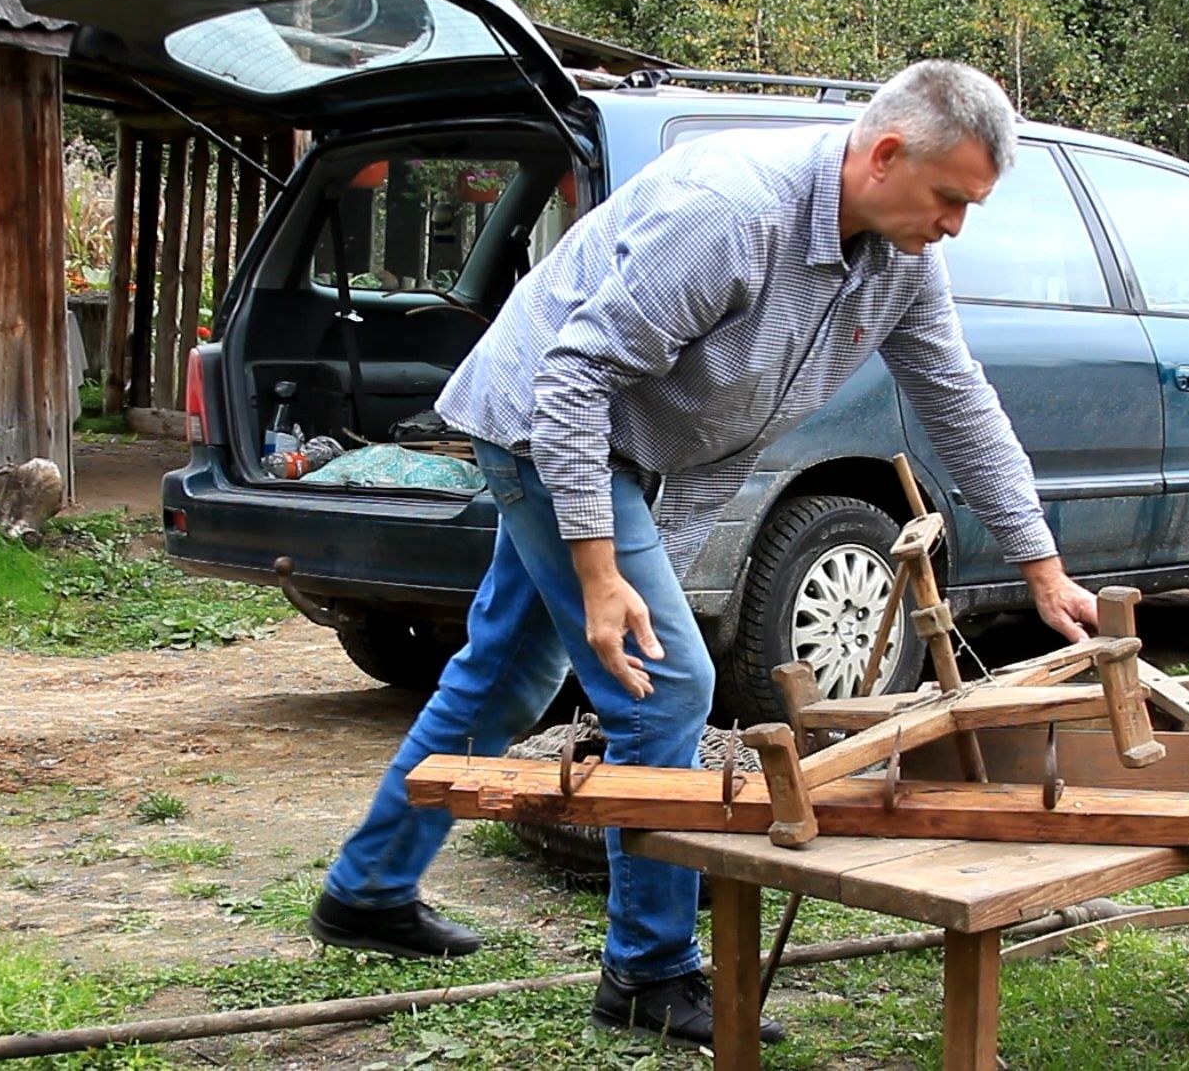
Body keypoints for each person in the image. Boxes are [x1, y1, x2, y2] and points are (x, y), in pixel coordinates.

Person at [309, 59, 1100, 1046]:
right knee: (667, 683)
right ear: (886, 154)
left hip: (636, 452)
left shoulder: (900, 262)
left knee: (506, 678)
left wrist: (1040, 563)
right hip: (549, 431)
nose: (954, 226)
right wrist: (599, 573)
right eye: (949, 199)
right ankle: (648, 968)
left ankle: (369, 888)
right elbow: (573, 380)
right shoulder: (730, 212)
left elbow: (960, 401)